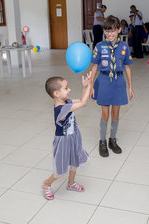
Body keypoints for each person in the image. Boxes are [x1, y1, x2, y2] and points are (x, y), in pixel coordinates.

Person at [42, 73, 92, 200]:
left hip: (73, 136)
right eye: (66, 88)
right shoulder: (61, 109)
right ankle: (46, 184)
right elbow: (84, 103)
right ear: (56, 93)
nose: (69, 89)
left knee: (74, 162)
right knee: (60, 170)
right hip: (63, 141)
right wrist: (90, 85)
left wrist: (85, 88)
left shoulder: (67, 102)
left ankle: (71, 184)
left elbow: (81, 100)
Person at [91, 15, 134, 157]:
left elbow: (127, 67)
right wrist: (91, 86)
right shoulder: (99, 46)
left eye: (113, 31)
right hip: (104, 81)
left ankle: (112, 140)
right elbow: (94, 67)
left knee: (116, 113)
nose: (110, 34)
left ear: (119, 30)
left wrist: (130, 87)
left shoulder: (124, 46)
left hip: (119, 82)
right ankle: (102, 141)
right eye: (107, 31)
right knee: (105, 114)